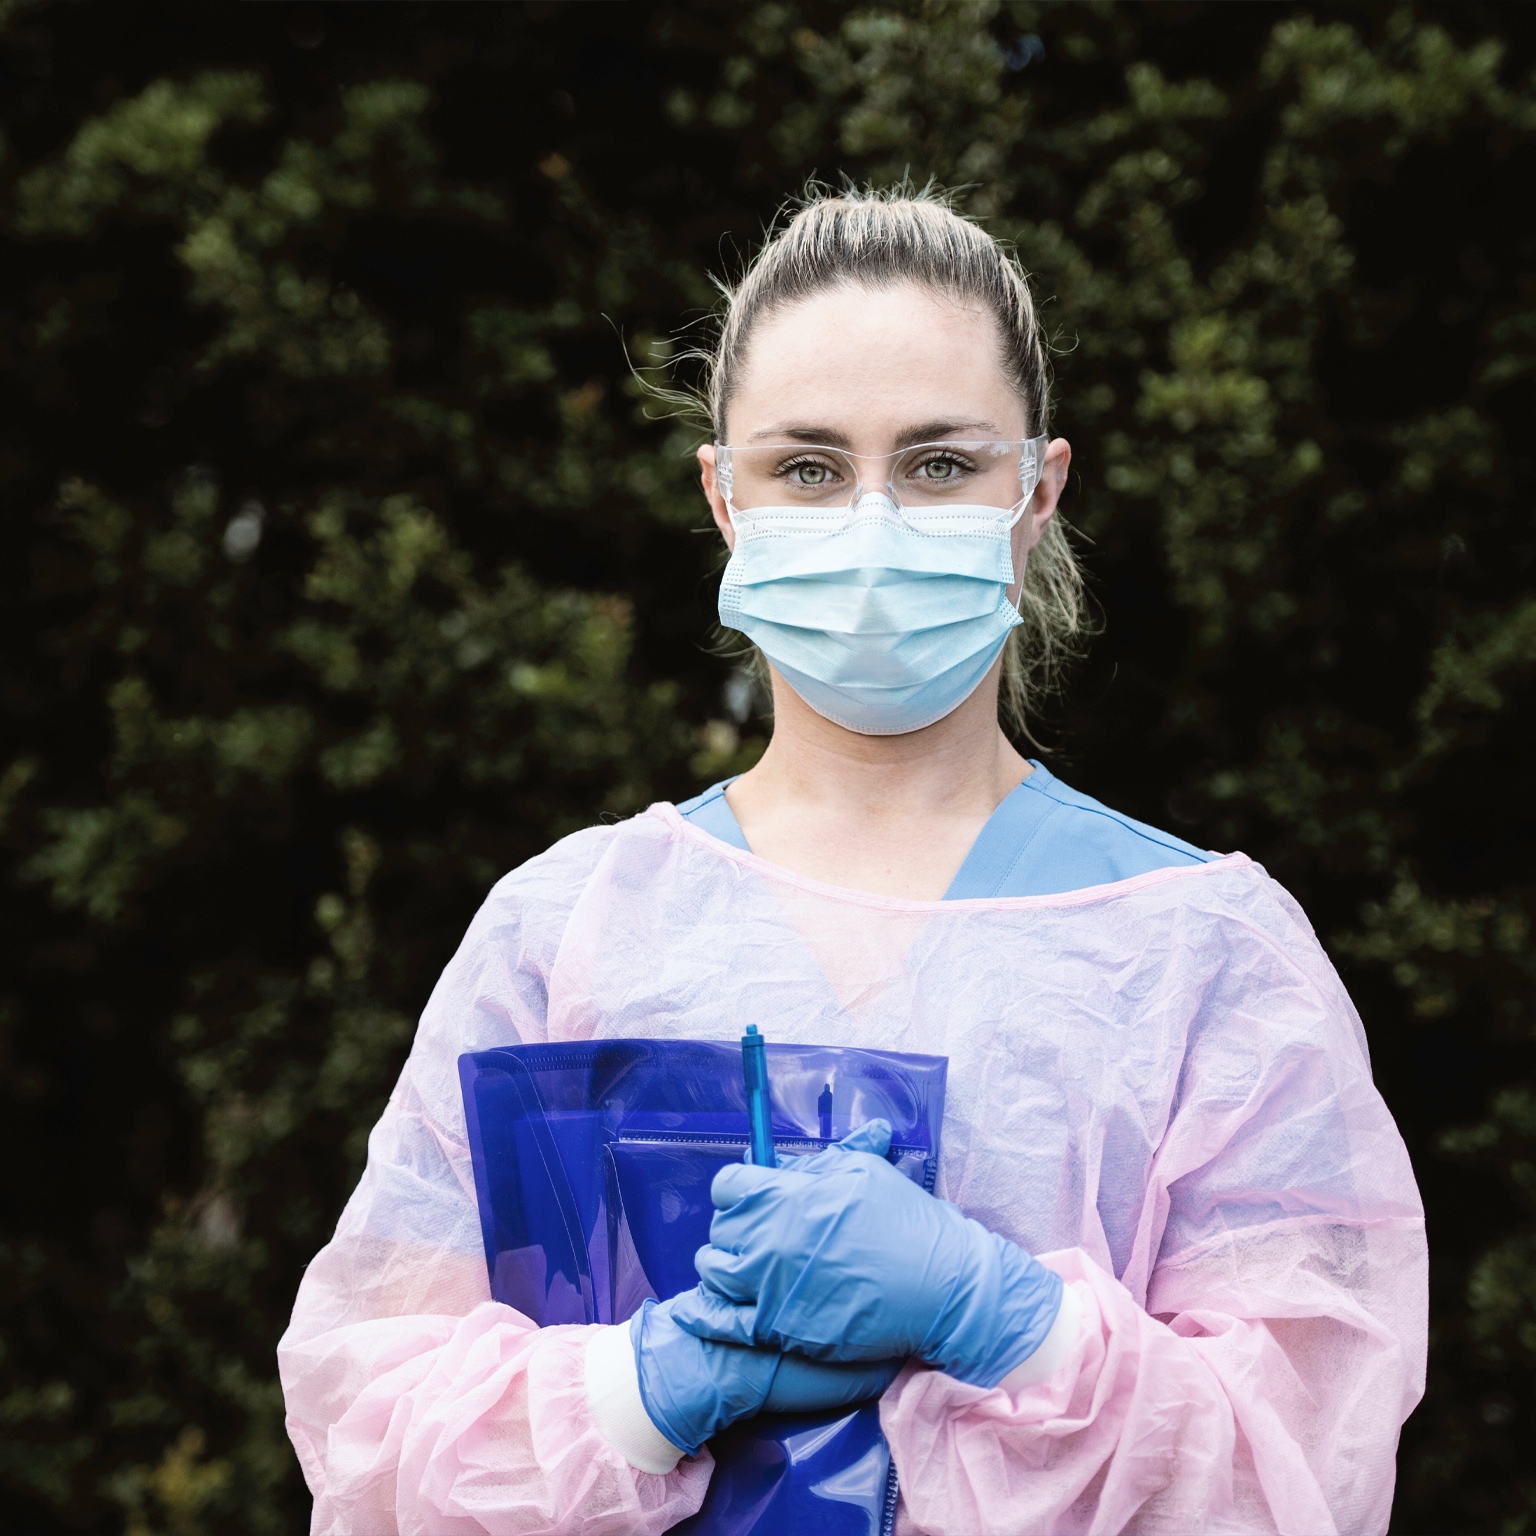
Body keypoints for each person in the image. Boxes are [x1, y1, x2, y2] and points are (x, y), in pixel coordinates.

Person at [278, 186, 1426, 1535]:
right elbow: (371, 1435)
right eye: (808, 469)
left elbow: (1303, 1465)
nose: (872, 522)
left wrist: (1001, 1320)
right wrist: (643, 1389)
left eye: (940, 466)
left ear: (1037, 493)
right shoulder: (567, 930)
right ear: (724, 498)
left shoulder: (1204, 953)